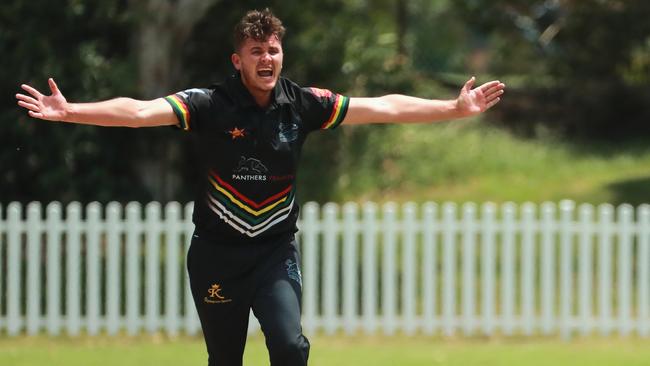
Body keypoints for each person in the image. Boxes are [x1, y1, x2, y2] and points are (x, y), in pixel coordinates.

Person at [15, 8, 505, 366]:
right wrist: (72, 110)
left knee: (290, 347)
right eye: (256, 52)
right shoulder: (208, 103)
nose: (266, 58)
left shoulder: (304, 103)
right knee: (225, 361)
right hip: (216, 255)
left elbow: (383, 107)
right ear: (238, 60)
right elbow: (140, 112)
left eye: (273, 50)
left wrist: (453, 107)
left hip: (274, 252)